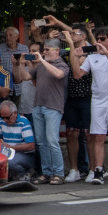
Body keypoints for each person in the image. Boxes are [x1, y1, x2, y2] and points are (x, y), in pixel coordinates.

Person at [72, 26, 108, 184]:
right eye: (98, 39)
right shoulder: (91, 57)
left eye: (103, 39)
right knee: (98, 137)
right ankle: (98, 169)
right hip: (97, 102)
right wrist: (76, 57)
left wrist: (107, 54)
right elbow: (77, 74)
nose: (99, 42)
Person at [11, 38, 69, 185]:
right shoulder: (41, 66)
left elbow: (59, 75)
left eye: (47, 50)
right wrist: (19, 64)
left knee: (52, 140)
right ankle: (47, 172)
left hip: (53, 107)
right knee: (42, 142)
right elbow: (25, 77)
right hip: (38, 106)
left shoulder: (61, 64)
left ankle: (59, 173)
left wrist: (42, 61)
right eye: (44, 50)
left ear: (57, 50)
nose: (44, 52)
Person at [62, 25, 93, 182]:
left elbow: (78, 69)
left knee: (88, 134)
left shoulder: (89, 51)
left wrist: (71, 45)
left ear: (84, 37)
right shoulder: (69, 52)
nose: (72, 36)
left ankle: (93, 168)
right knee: (72, 133)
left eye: (75, 34)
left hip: (87, 97)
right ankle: (74, 169)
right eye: (71, 33)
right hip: (72, 97)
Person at [0, 100, 36, 181]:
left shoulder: (23, 122)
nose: (5, 120)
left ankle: (26, 172)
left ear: (15, 113)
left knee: (9, 163)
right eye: (2, 117)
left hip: (25, 155)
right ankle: (16, 174)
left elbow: (31, 146)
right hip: (9, 153)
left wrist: (12, 147)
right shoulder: (1, 121)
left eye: (7, 117)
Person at [0, 27, 29, 104]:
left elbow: (28, 65)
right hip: (4, 86)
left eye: (10, 35)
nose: (8, 38)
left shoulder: (24, 49)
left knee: (17, 111)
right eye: (6, 35)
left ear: (17, 37)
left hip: (20, 86)